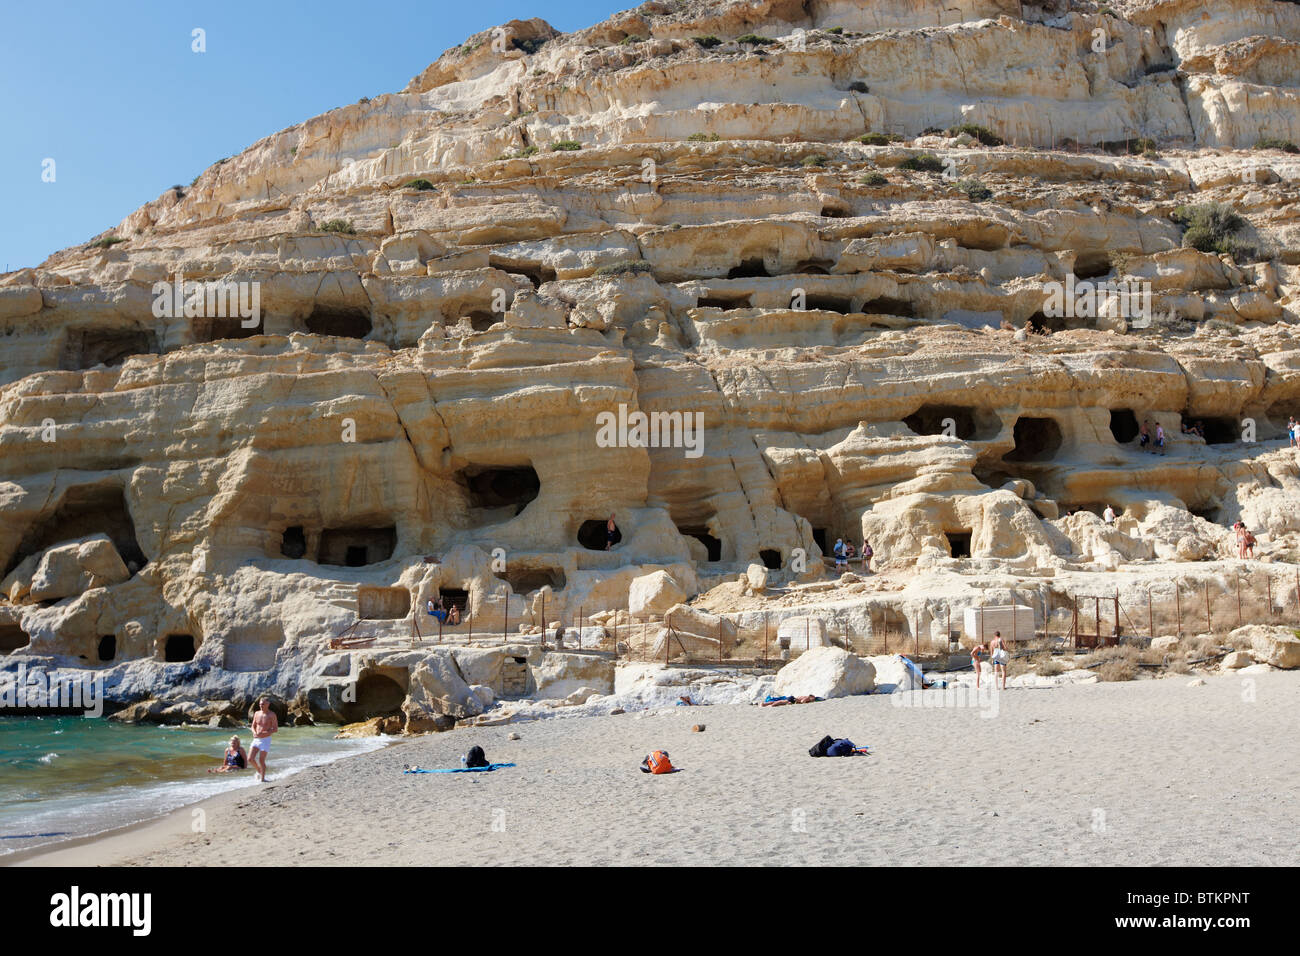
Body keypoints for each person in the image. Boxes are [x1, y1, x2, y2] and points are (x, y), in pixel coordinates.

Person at [248, 698, 278, 783]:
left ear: (268, 704)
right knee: (250, 759)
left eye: (263, 704)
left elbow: (275, 729)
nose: (261, 705)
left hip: (265, 739)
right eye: (260, 704)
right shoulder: (257, 713)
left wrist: (266, 732)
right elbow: (253, 726)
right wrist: (254, 732)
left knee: (261, 760)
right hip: (256, 739)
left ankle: (262, 779)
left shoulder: (272, 714)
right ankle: (259, 770)